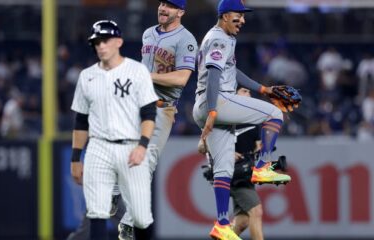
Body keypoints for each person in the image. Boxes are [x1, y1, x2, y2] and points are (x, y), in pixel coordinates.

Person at [192, 0, 291, 239]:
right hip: (217, 100)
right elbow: (215, 75)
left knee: (224, 169)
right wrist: (213, 112)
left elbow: (231, 71)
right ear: (225, 15)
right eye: (239, 15)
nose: (243, 20)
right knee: (274, 113)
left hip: (206, 103)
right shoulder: (219, 38)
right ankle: (262, 166)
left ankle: (223, 224)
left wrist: (263, 89)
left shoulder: (220, 37)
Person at [70, 20, 158, 240]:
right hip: (98, 147)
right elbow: (81, 121)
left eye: (106, 40)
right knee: (97, 212)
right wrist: (75, 158)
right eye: (97, 42)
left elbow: (149, 114)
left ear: (118, 41)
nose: (101, 46)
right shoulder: (86, 76)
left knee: (140, 215)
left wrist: (143, 145)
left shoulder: (137, 71)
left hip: (131, 146)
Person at [117, 0, 198, 239]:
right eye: (162, 3)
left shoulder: (187, 40)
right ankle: (113, 197)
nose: (163, 8)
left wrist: (145, 75)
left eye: (170, 5)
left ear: (181, 12)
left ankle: (128, 223)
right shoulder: (148, 33)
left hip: (162, 109)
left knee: (146, 162)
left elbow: (182, 78)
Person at [200, 87, 265, 240]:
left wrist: (261, 149)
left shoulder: (253, 119)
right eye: (243, 91)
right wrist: (226, 152)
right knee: (256, 211)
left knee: (242, 221)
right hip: (229, 172)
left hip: (246, 173)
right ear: (233, 95)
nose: (248, 94)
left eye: (249, 92)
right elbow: (202, 146)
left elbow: (257, 146)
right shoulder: (223, 116)